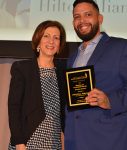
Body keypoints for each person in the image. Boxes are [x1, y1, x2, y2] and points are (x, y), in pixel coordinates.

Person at [64, 0, 127, 150]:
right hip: (75, 142)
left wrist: (110, 101)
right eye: (77, 16)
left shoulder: (121, 47)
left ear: (100, 18)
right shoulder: (72, 57)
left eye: (88, 14)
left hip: (109, 141)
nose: (82, 20)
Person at [8, 20, 66, 150]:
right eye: (46, 36)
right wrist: (19, 142)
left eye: (56, 38)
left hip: (53, 142)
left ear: (59, 45)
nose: (51, 41)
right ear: (38, 40)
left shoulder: (63, 71)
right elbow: (14, 108)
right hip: (28, 142)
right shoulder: (22, 68)